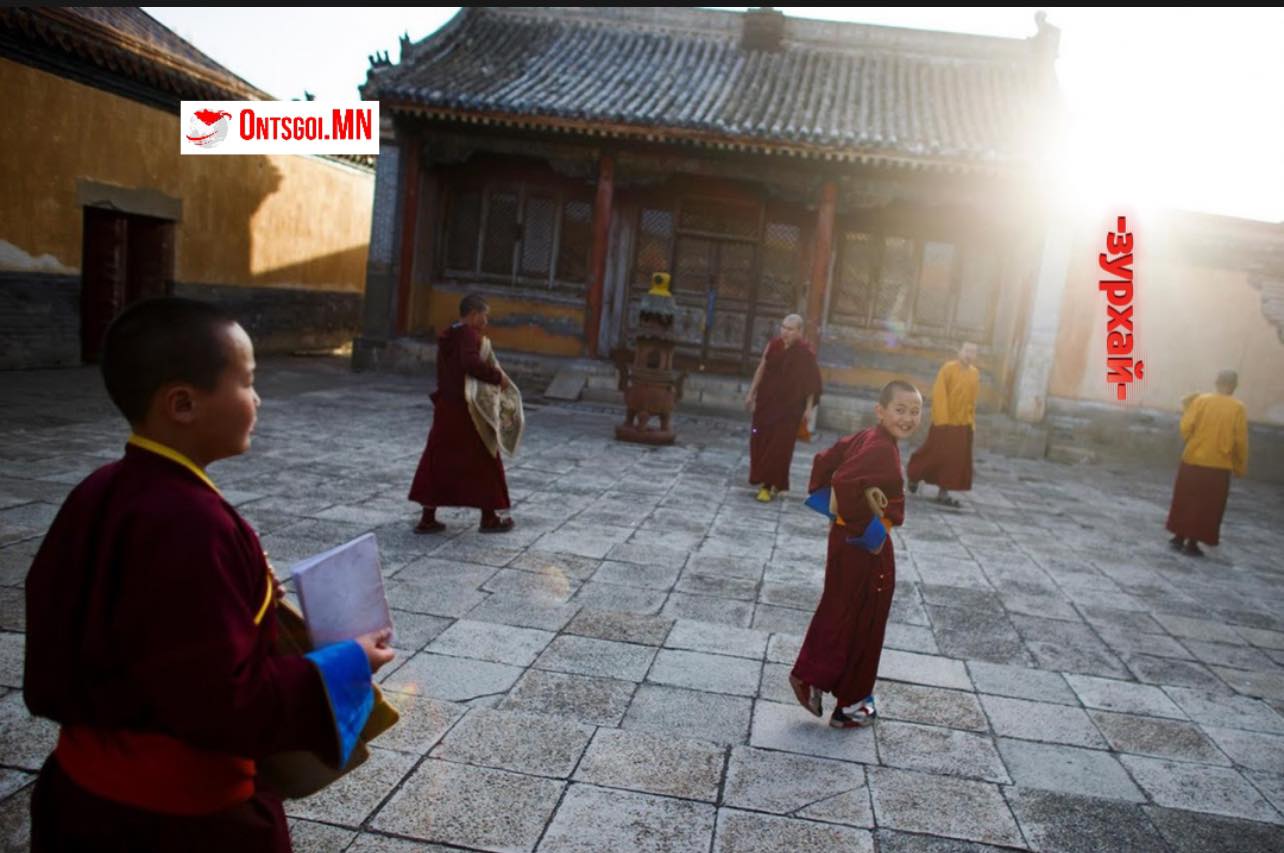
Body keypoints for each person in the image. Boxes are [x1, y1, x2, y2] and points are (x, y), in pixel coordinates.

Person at [24, 297, 395, 852]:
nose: (258, 398)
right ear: (183, 404)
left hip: (79, 796)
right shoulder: (195, 525)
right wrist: (348, 663)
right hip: (178, 822)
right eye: (247, 382)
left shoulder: (98, 490)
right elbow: (223, 703)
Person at [790, 380, 922, 728]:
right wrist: (869, 530)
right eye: (900, 409)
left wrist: (838, 516)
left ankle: (812, 677)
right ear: (881, 411)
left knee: (841, 607)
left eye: (915, 411)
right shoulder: (880, 447)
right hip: (863, 544)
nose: (908, 418)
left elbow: (826, 459)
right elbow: (846, 480)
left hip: (848, 540)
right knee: (866, 616)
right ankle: (850, 703)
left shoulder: (871, 437)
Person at [409, 294, 515, 533]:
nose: (486, 321)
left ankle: (427, 518)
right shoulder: (468, 334)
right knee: (486, 457)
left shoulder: (450, 333)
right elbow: (470, 364)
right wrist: (498, 377)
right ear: (474, 314)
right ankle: (489, 518)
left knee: (438, 460)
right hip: (467, 411)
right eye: (484, 315)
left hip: (447, 407)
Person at [1166, 369, 1249, 557]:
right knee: (1207, 506)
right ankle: (1192, 543)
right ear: (1234, 386)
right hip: (1218, 465)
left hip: (1193, 459)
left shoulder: (1201, 401)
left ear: (1216, 382)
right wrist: (1239, 466)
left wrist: (1194, 441)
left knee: (1185, 499)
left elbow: (1186, 427)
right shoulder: (1237, 408)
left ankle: (1178, 536)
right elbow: (1240, 441)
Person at [745, 314, 824, 502]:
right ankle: (767, 479)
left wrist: (808, 408)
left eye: (790, 329)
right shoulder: (773, 346)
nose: (785, 332)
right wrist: (751, 392)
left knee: (779, 447)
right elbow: (761, 368)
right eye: (783, 327)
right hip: (766, 403)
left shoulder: (805, 353)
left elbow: (811, 382)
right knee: (761, 440)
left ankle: (767, 485)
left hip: (790, 408)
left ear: (799, 332)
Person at [907, 342, 980, 508]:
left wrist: (971, 422)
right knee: (933, 453)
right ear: (960, 351)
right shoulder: (948, 369)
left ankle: (943, 492)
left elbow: (972, 400)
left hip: (962, 424)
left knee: (955, 460)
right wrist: (943, 420)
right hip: (944, 422)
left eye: (973, 352)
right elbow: (939, 394)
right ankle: (914, 474)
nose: (969, 355)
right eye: (967, 351)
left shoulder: (975, 374)